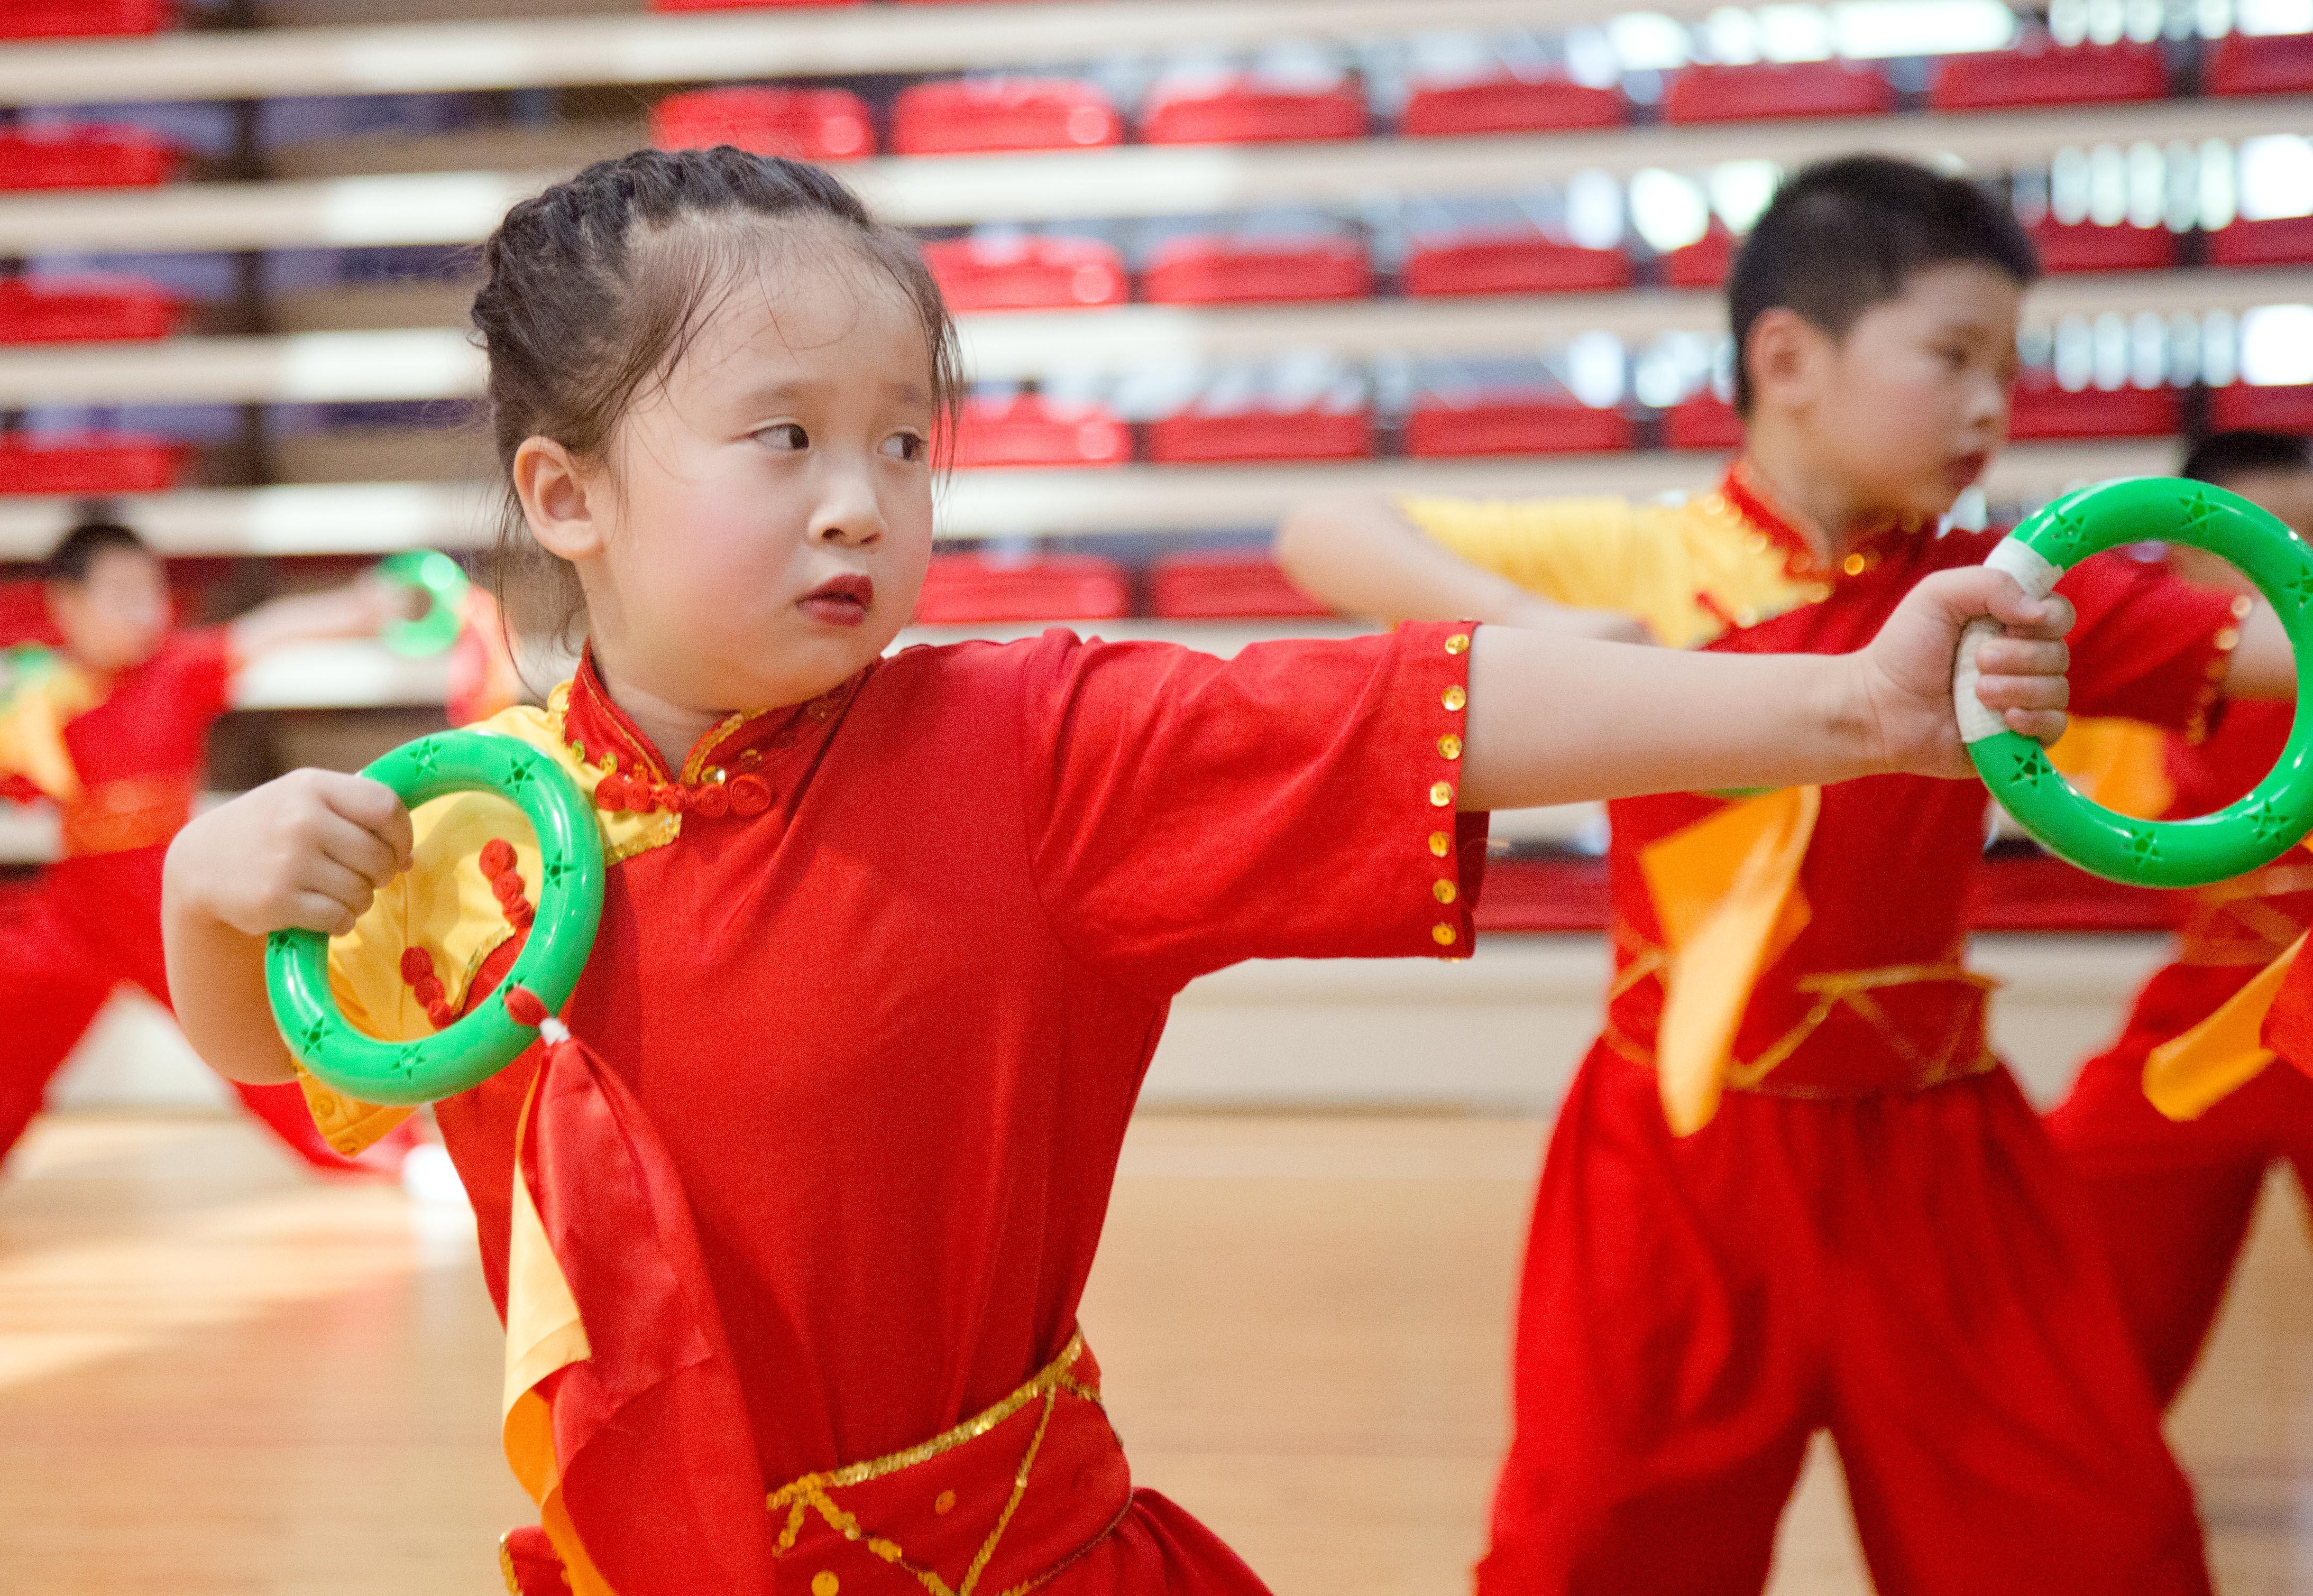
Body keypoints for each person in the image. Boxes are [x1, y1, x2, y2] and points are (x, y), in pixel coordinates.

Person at [155, 148, 2069, 1596]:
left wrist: (1850, 713)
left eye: (905, 440)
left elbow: (1432, 709)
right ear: (564, 494)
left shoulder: (1027, 750)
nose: (863, 495)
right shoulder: (474, 834)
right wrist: (206, 889)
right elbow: (285, 1059)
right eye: (786, 437)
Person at [1274, 155, 2292, 1595]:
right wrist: (1528, 623)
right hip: (1676, 1156)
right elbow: (1316, 530)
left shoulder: (2013, 596)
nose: (1994, 405)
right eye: (1952, 356)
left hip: (1943, 1164)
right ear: (1786, 358)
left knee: (2093, 1544)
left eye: (2010, 365)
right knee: (1599, 1552)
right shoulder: (1644, 553)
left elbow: (2274, 646)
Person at [0, 523, 417, 1183]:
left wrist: (361, 607)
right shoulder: (39, 700)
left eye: (150, 590)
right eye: (119, 593)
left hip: (164, 895)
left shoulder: (176, 667)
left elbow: (265, 632)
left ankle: (380, 1145)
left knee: (249, 1027)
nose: (144, 609)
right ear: (66, 607)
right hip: (79, 899)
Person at [2044, 429, 2313, 1408]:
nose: (2292, 562)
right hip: (2209, 1010)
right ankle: (2081, 1483)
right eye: (2261, 544)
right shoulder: (2132, 675)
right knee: (2072, 1225)